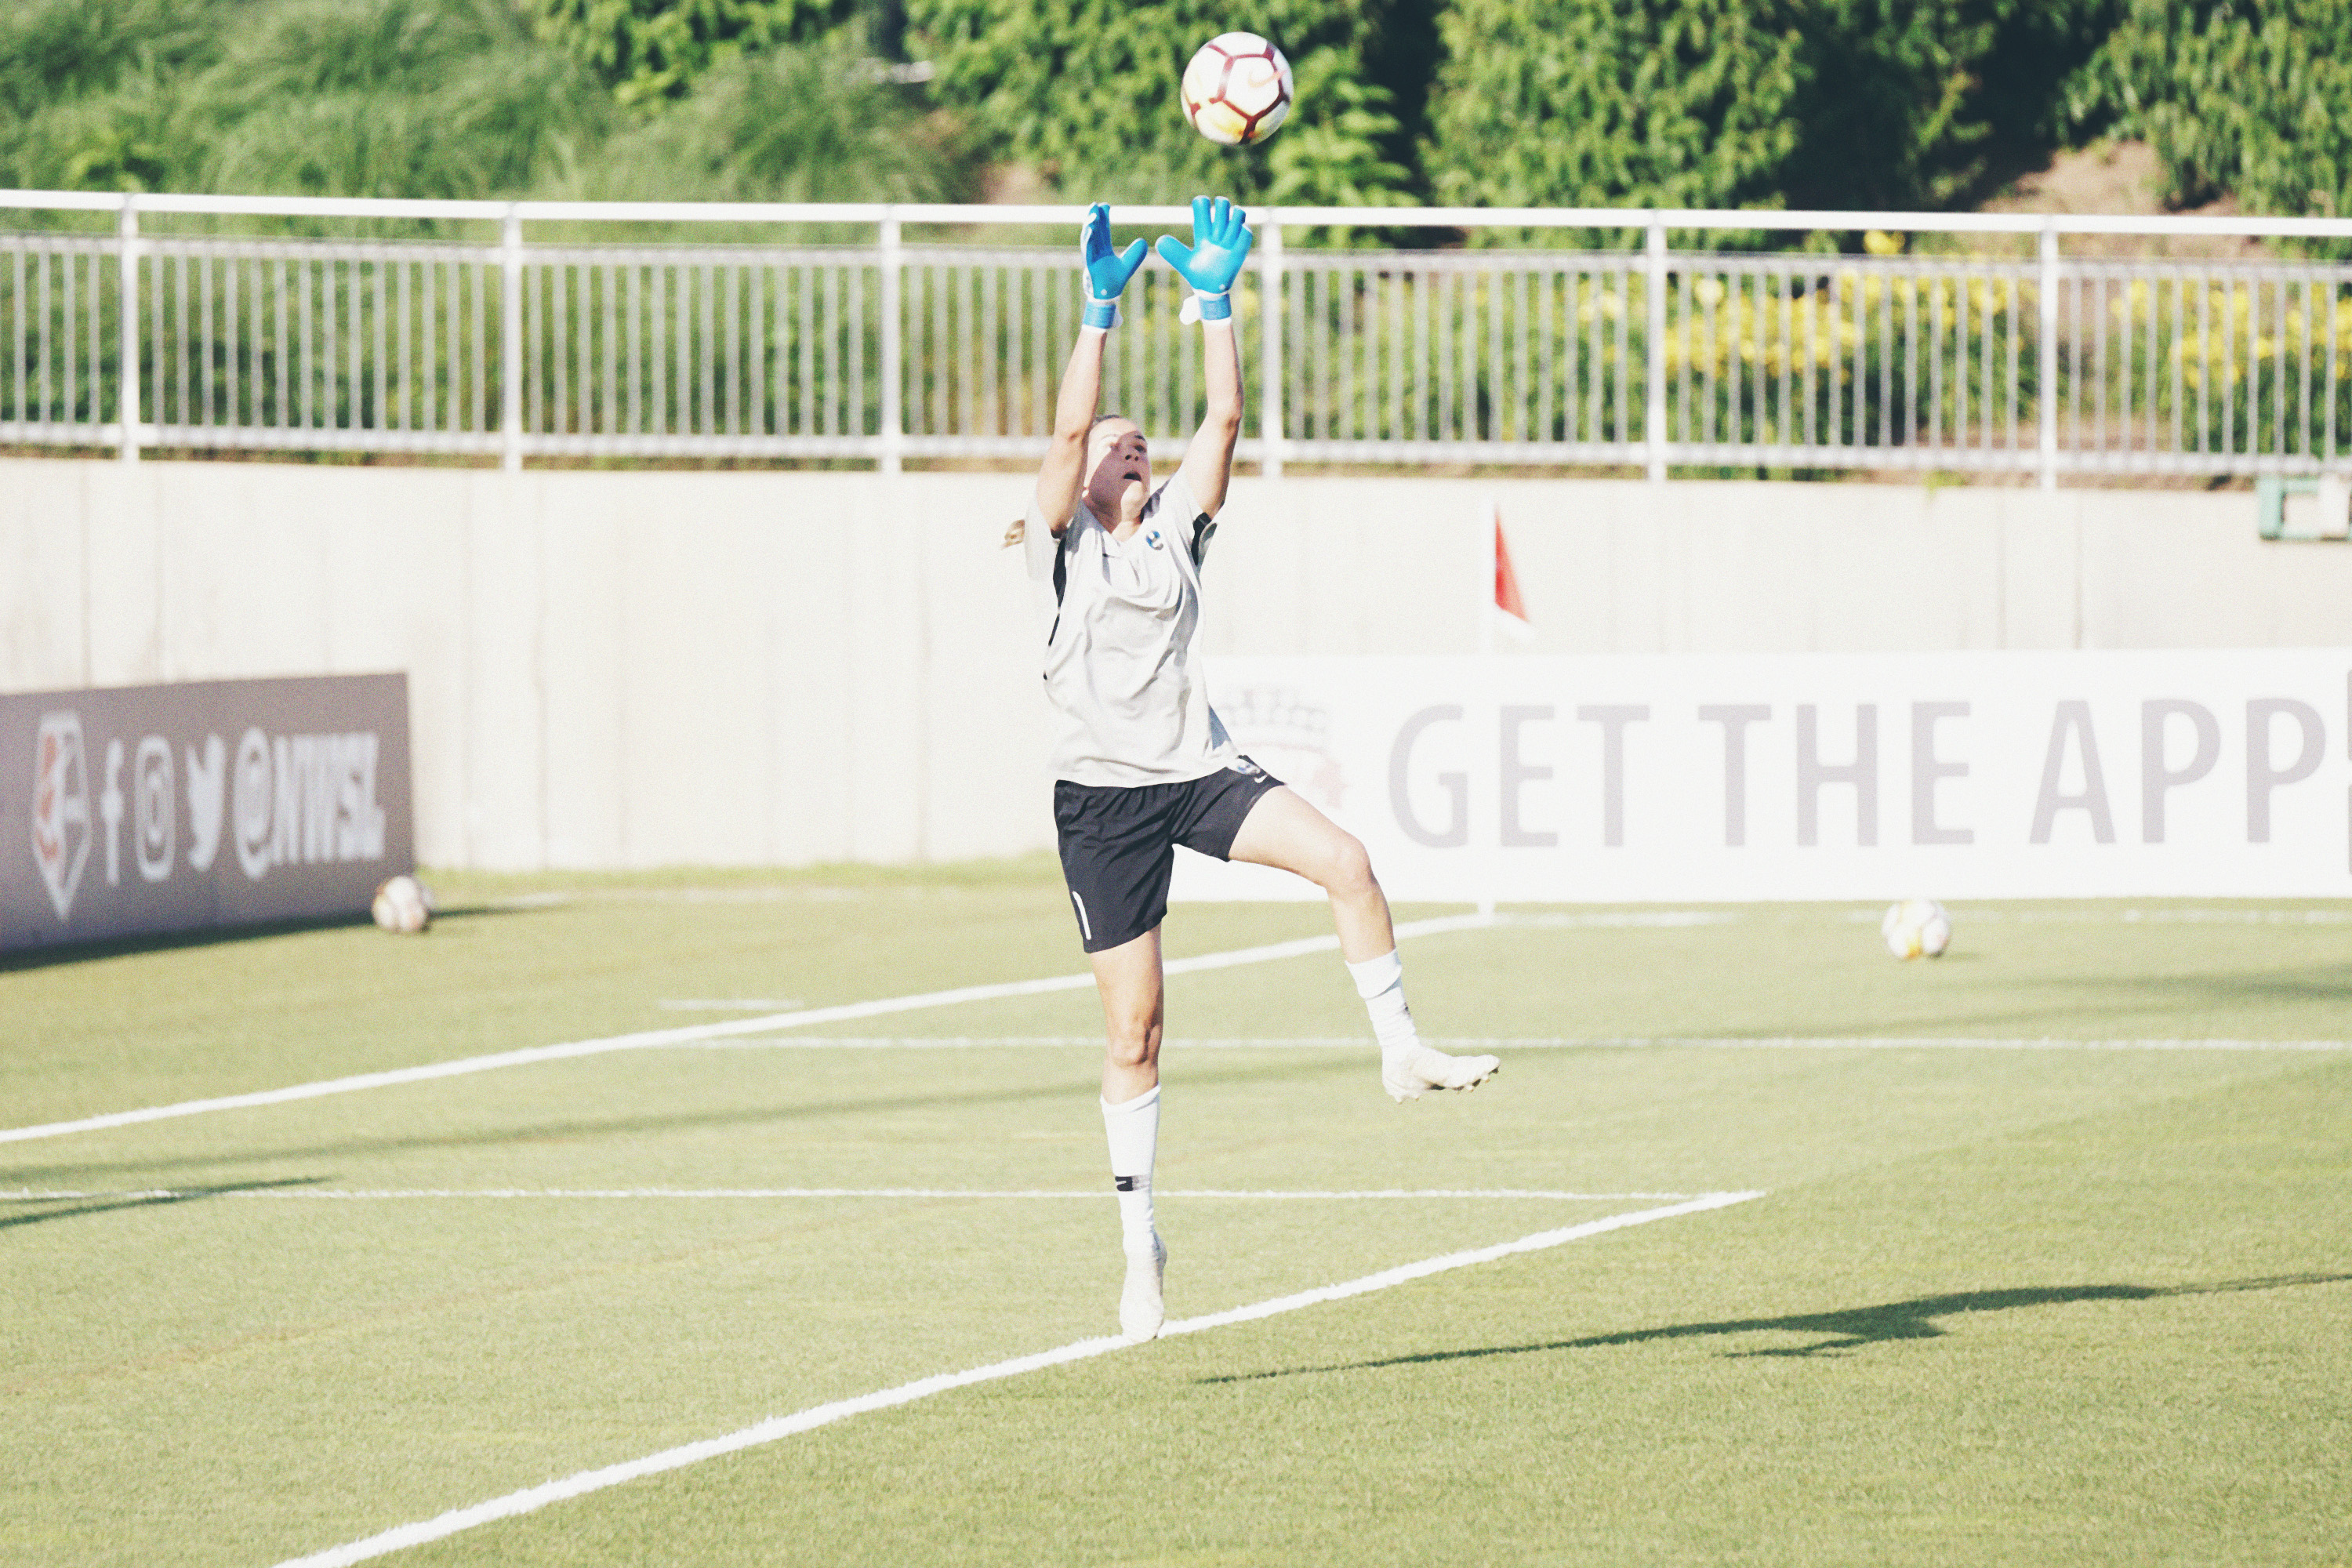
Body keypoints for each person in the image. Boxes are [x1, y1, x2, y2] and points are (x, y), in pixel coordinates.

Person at [1015, 198, 1501, 1345]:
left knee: (1348, 861)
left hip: (1197, 771)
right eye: (1112, 443)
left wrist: (1216, 303)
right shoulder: (1059, 548)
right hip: (1101, 806)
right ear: (1079, 474)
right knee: (1137, 1030)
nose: (1128, 448)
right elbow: (1062, 426)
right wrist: (1098, 314)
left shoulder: (1175, 531)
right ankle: (1141, 1252)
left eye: (1140, 442)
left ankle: (1400, 1051)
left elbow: (1225, 414)